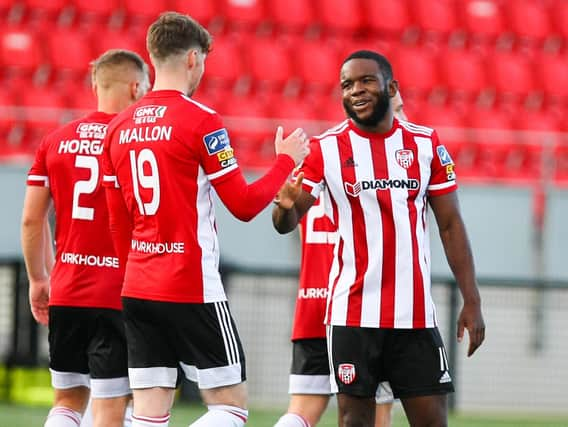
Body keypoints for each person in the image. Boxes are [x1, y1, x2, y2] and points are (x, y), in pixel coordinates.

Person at [100, 12, 309, 427]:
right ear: (194, 59)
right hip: (190, 284)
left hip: (138, 285)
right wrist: (286, 159)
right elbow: (245, 205)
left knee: (148, 414)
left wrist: (139, 271)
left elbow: (117, 223)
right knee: (230, 408)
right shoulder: (201, 121)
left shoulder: (118, 128)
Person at [272, 50, 485, 427]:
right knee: (355, 421)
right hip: (352, 315)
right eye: (347, 85)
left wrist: (472, 299)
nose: (356, 90)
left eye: (366, 80)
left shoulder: (425, 144)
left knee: (433, 421)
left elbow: (451, 224)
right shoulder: (326, 149)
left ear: (392, 87)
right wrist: (283, 204)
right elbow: (286, 221)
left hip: (414, 316)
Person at [21, 49, 151, 427]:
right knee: (111, 410)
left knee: (67, 401)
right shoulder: (136, 145)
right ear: (135, 86)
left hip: (68, 290)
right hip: (117, 294)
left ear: (96, 84)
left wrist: (37, 278)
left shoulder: (55, 140)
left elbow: (32, 220)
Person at [273, 91, 409, 427]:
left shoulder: (324, 158)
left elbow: (291, 221)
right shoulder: (382, 171)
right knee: (375, 411)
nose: (404, 117)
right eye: (400, 109)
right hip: (361, 306)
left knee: (302, 410)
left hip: (313, 304)